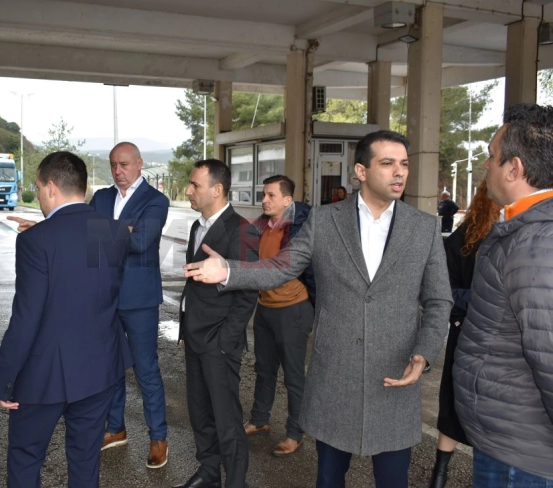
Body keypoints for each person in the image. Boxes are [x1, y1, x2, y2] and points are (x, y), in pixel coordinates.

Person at [185, 130, 452, 488]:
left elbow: (439, 300)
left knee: (392, 480)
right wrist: (230, 271)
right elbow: (281, 267)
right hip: (335, 378)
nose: (399, 172)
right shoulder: (325, 221)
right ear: (361, 171)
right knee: (328, 479)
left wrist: (424, 351)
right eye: (387, 163)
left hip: (395, 376)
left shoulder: (424, 227)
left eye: (404, 163)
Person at [0, 151, 131, 488]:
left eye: (38, 188)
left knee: (26, 457)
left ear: (51, 187)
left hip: (44, 374)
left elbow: (26, 317)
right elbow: (85, 272)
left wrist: (4, 377)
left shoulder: (34, 241)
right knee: (85, 460)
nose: (39, 195)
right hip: (99, 368)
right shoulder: (114, 232)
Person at [454, 103, 553, 486]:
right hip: (514, 439)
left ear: (514, 169)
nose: (485, 165)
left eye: (492, 156)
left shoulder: (535, 245)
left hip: (523, 457)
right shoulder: (527, 231)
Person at [173, 159, 258, 488]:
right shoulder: (198, 226)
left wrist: (226, 340)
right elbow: (195, 284)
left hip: (219, 342)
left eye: (195, 185)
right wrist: (185, 328)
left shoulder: (242, 229)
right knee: (199, 412)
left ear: (217, 190)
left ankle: (235, 481)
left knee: (227, 419)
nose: (188, 190)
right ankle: (209, 472)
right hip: (194, 337)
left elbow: (248, 291)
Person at [90, 142, 169, 468]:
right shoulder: (101, 198)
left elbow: (139, 243)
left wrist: (104, 230)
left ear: (139, 163)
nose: (118, 171)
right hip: (105, 297)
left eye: (124, 164)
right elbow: (88, 238)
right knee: (109, 367)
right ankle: (116, 429)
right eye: (113, 165)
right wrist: (124, 228)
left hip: (139, 301)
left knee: (145, 370)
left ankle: (158, 437)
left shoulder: (156, 200)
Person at [428, 182, 500, 488]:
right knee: (473, 409)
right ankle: (440, 474)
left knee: (455, 405)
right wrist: (489, 302)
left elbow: (446, 292)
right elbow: (444, 292)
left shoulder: (465, 235)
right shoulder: (471, 235)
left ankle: (439, 475)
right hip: (484, 337)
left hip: (466, 332)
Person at [243, 175, 315, 458]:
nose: (264, 200)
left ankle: (295, 434)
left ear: (287, 200)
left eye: (271, 195)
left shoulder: (300, 228)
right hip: (265, 308)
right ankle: (260, 420)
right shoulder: (262, 226)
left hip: (292, 309)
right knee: (264, 369)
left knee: (293, 377)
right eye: (264, 194)